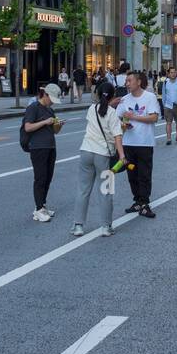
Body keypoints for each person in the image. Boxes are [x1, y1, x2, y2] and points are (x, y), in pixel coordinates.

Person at [70, 80, 125, 237]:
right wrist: (122, 155)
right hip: (103, 155)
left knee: (83, 190)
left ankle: (78, 225)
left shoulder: (91, 109)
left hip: (86, 151)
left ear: (97, 94)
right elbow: (117, 136)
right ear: (113, 96)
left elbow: (101, 109)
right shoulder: (113, 113)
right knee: (106, 191)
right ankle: (106, 227)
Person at [116, 70, 161, 217]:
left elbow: (154, 117)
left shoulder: (150, 97)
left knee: (144, 174)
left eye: (129, 81)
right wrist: (124, 124)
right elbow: (117, 120)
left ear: (138, 82)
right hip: (128, 143)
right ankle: (137, 201)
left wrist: (134, 117)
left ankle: (145, 203)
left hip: (145, 143)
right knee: (132, 174)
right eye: (126, 81)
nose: (127, 84)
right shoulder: (124, 100)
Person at [22, 85, 61, 221]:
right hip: (38, 147)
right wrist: (45, 122)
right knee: (40, 178)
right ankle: (38, 209)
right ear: (45, 95)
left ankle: (42, 205)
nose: (52, 102)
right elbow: (28, 127)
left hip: (50, 146)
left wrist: (58, 125)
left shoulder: (50, 110)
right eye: (52, 99)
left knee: (48, 177)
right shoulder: (33, 107)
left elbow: (55, 131)